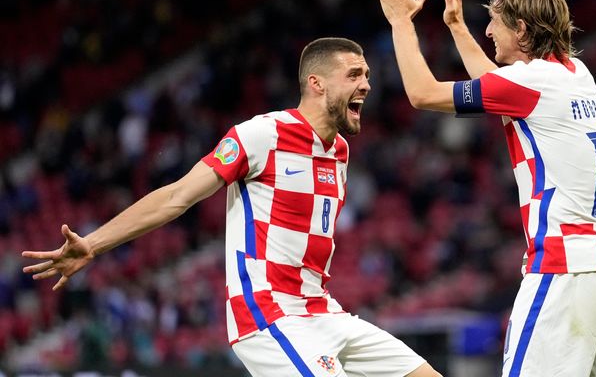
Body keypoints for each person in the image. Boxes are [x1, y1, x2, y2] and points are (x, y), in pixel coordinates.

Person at [21, 37, 441, 377]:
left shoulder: (341, 152)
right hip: (270, 314)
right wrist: (92, 244)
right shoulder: (260, 135)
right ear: (317, 83)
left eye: (366, 74)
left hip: (323, 310)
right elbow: (176, 196)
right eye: (354, 74)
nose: (367, 84)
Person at [377, 0, 596, 376]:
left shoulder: (533, 84)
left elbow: (421, 94)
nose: (487, 31)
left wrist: (401, 22)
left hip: (561, 270)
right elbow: (501, 89)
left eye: (494, 22)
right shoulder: (577, 74)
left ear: (522, 28)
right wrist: (456, 27)